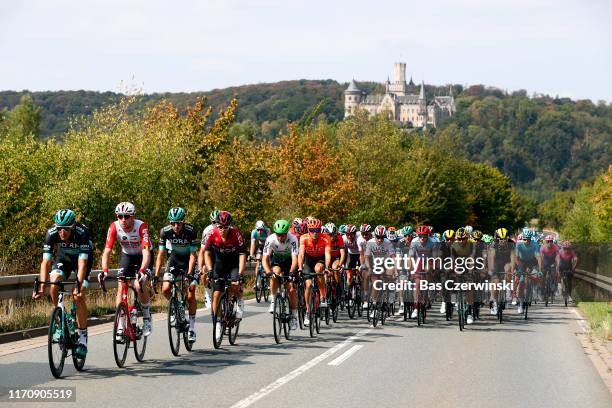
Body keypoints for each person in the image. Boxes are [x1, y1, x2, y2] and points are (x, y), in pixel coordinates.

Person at [33, 209, 93, 357]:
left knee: (78, 296)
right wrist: (41, 287)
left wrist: (78, 285)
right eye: (59, 228)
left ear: (72, 226)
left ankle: (83, 339)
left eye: (65, 229)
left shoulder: (82, 232)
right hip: (63, 260)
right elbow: (46, 262)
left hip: (82, 260)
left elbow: (83, 262)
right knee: (53, 284)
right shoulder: (51, 233)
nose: (62, 232)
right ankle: (61, 318)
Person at [101, 202, 153, 337]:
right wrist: (105, 270)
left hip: (143, 256)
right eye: (120, 216)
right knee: (121, 284)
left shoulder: (141, 226)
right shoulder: (114, 227)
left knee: (138, 284)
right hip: (127, 255)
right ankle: (120, 324)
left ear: (133, 217)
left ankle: (147, 316)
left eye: (127, 216)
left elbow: (147, 253)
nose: (123, 219)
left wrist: (142, 271)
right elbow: (106, 251)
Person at [154, 207, 199, 343]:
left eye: (178, 223)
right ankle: (176, 307)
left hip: (188, 263)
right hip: (174, 260)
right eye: (172, 223)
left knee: (190, 294)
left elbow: (192, 255)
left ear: (183, 221)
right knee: (166, 289)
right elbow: (161, 254)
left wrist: (190, 273)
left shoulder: (191, 231)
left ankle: (191, 328)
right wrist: (156, 275)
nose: (175, 226)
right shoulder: (165, 232)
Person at [203, 211, 247, 343]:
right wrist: (210, 270)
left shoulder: (236, 234)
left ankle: (240, 300)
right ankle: (217, 323)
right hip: (219, 263)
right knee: (216, 294)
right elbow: (206, 253)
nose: (222, 229)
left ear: (230, 226)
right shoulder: (211, 234)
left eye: (225, 227)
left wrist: (240, 273)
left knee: (234, 284)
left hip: (233, 263)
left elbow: (242, 255)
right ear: (216, 225)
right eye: (220, 227)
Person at [262, 219, 299, 330]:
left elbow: (295, 259)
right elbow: (265, 258)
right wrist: (268, 271)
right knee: (275, 274)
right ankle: (273, 300)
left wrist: (292, 272)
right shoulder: (270, 239)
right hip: (277, 260)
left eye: (282, 235)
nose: (280, 237)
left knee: (291, 289)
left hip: (289, 262)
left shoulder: (293, 239)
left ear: (286, 233)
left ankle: (293, 315)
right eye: (278, 235)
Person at [298, 218, 332, 326]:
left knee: (318, 270)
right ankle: (308, 311)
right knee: (308, 285)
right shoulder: (303, 238)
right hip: (308, 260)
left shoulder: (325, 238)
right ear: (308, 230)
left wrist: (327, 267)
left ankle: (323, 298)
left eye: (317, 230)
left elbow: (327, 254)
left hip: (320, 259)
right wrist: (299, 267)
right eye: (312, 230)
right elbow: (301, 254)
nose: (315, 233)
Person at [487, 228, 516, 315]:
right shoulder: (493, 244)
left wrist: (513, 270)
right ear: (497, 238)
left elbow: (513, 258)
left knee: (508, 269)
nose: (503, 241)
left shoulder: (511, 244)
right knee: (495, 283)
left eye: (504, 239)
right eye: (500, 239)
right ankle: (494, 302)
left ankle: (507, 290)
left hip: (506, 261)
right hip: (496, 262)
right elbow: (492, 257)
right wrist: (491, 270)